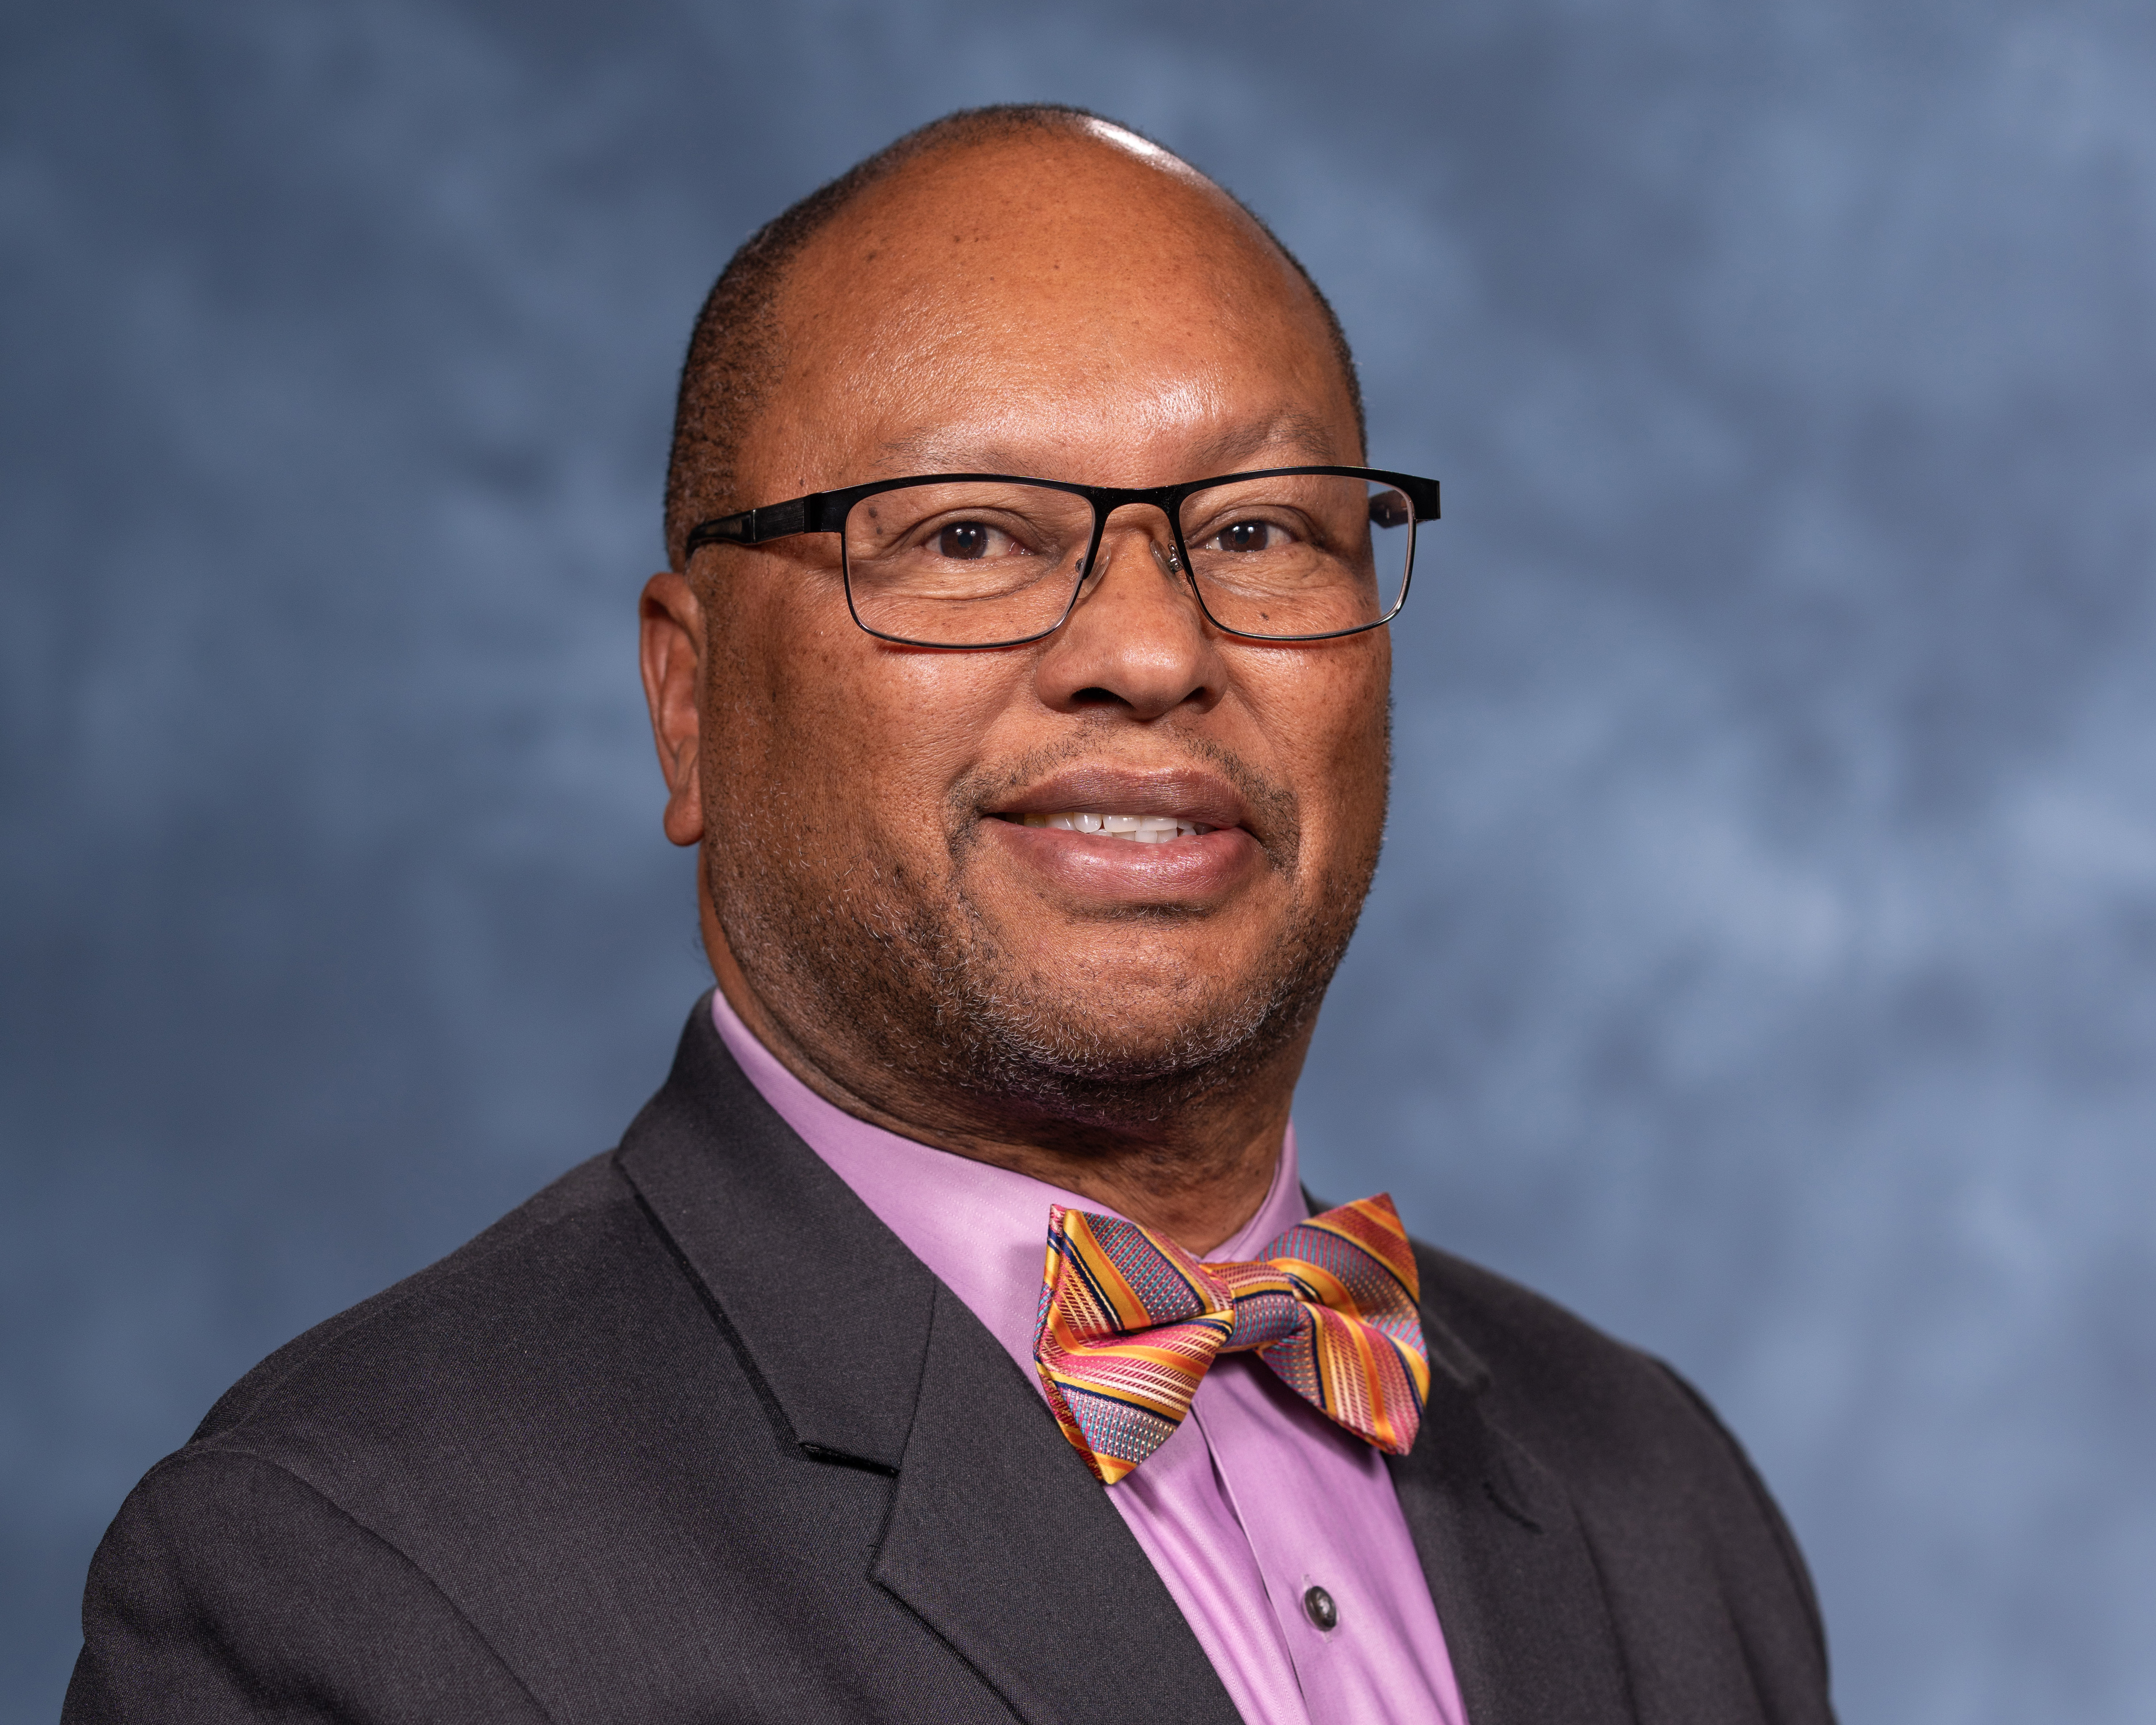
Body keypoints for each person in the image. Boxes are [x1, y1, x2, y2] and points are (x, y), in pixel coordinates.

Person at [64, 105, 1834, 1725]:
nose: (1151, 653)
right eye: (968, 537)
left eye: (1264, 532)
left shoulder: (1657, 1494)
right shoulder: (348, 1574)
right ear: (688, 703)